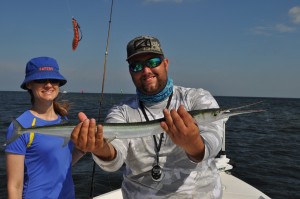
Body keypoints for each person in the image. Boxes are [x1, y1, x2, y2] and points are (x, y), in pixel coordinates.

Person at [71, 35, 225, 198]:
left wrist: (193, 144)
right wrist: (99, 148)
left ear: (165, 64)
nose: (146, 71)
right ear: (130, 71)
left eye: (153, 62)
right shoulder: (121, 111)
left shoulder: (196, 98)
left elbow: (213, 142)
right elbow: (114, 159)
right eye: (136, 66)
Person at [5, 56, 84, 199]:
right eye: (41, 80)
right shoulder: (20, 126)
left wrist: (82, 150)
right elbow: (14, 186)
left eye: (53, 80)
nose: (48, 85)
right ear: (29, 84)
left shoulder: (64, 121)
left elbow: (62, 163)